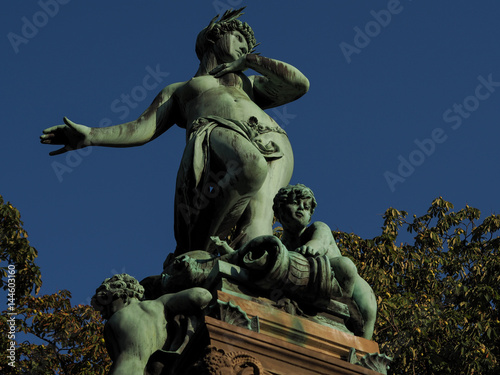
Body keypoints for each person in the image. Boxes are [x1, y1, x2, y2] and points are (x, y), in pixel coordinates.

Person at [40, 8, 309, 256]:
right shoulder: (182, 89)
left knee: (258, 229)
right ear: (214, 38)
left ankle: (251, 284)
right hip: (217, 132)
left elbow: (298, 84)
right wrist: (91, 135)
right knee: (251, 167)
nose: (243, 46)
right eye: (238, 38)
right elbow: (142, 128)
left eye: (247, 45)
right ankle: (199, 247)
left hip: (272, 139)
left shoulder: (249, 83)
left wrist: (250, 60)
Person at [273, 184, 377, 339]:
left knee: (345, 265)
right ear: (280, 210)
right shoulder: (283, 245)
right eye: (295, 203)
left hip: (355, 291)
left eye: (306, 207)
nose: (301, 208)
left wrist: (308, 249)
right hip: (320, 290)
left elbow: (318, 244)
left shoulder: (317, 227)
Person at [91, 273, 212, 374]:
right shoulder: (160, 304)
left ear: (119, 293)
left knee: (131, 360)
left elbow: (129, 365)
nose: (105, 315)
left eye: (106, 306)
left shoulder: (121, 316)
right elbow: (202, 295)